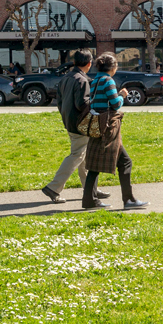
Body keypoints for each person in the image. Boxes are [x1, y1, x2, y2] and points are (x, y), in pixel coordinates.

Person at [42, 49, 109, 204]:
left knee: (84, 157)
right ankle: (53, 187)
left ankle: (90, 189)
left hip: (70, 121)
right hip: (81, 124)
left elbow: (59, 102)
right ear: (89, 63)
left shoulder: (67, 77)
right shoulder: (82, 80)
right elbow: (82, 104)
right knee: (77, 156)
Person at [82, 53, 148, 210]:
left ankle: (89, 200)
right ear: (112, 68)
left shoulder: (95, 81)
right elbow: (115, 104)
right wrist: (122, 95)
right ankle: (128, 200)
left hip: (97, 125)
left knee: (94, 165)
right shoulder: (108, 81)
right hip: (109, 126)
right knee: (125, 162)